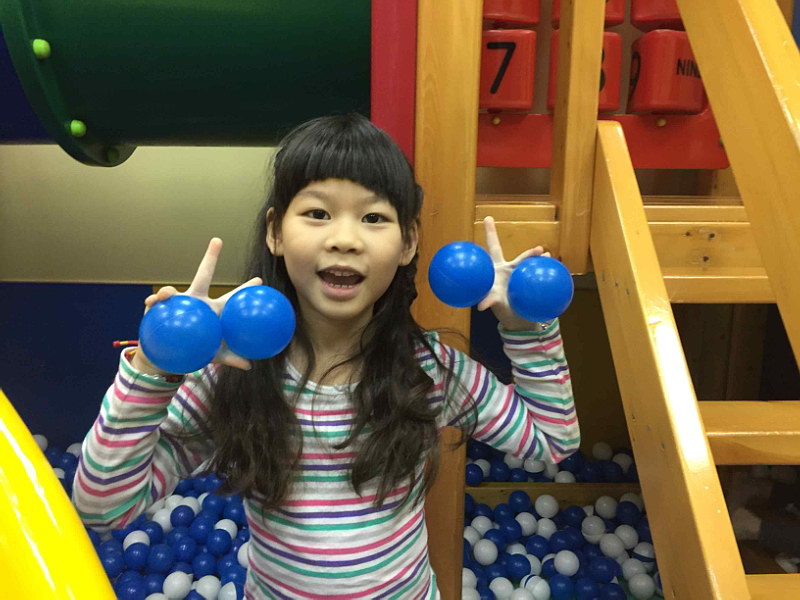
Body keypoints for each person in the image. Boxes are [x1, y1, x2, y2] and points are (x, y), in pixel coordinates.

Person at [72, 113, 579, 598]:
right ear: (275, 232)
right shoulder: (235, 375)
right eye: (318, 213)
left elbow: (552, 441)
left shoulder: (427, 371)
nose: (344, 239)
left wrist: (524, 327)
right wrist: (157, 367)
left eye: (374, 217)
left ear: (408, 243)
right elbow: (103, 507)